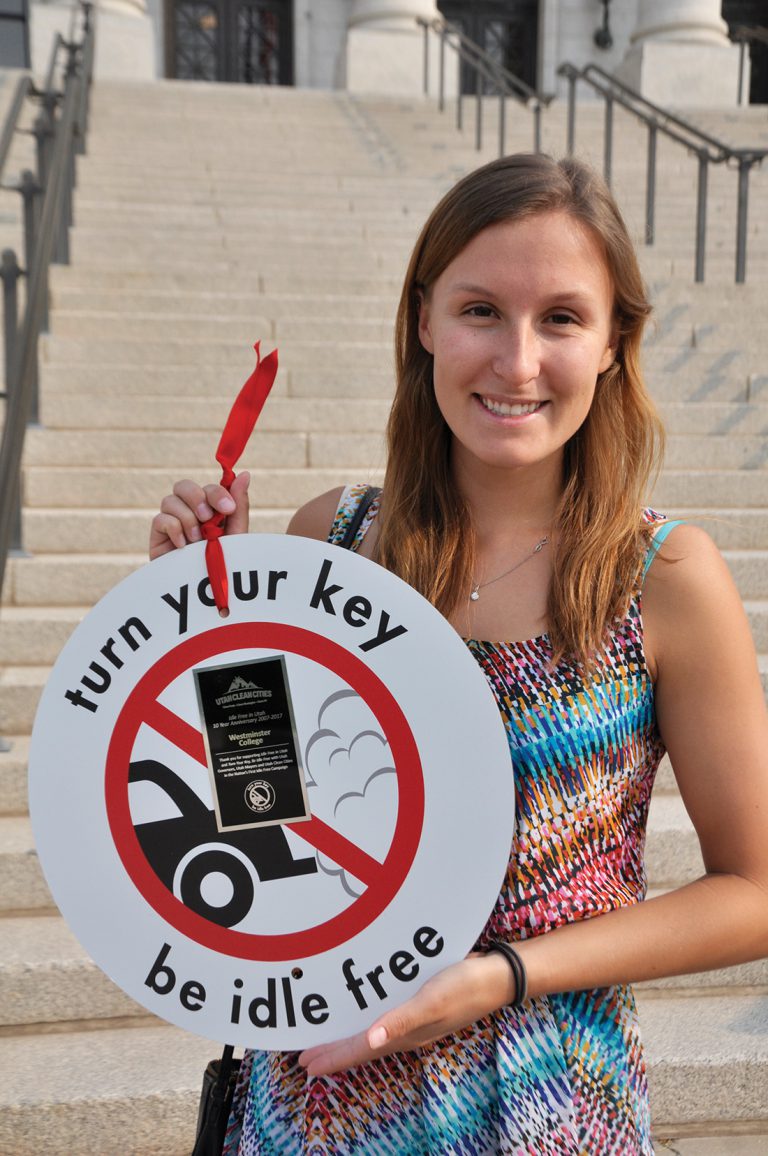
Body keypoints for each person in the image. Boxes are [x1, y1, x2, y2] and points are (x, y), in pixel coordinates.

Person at [149, 153, 768, 1155]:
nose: (517, 362)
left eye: (562, 317)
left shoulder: (662, 576)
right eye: (482, 309)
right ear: (424, 322)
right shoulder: (332, 540)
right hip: (322, 1099)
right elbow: (257, 817)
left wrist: (505, 973)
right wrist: (216, 624)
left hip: (546, 1099)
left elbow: (756, 891)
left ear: (615, 342)